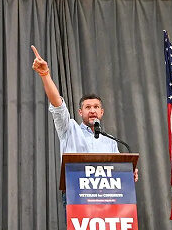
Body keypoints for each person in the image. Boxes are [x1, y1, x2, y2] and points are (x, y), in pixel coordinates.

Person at [31, 45, 138, 181]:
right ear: (80, 112)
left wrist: (128, 173)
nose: (92, 110)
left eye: (96, 107)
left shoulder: (110, 141)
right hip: (76, 195)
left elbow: (117, 170)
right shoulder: (69, 130)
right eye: (88, 107)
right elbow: (58, 105)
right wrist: (45, 75)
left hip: (106, 198)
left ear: (102, 112)